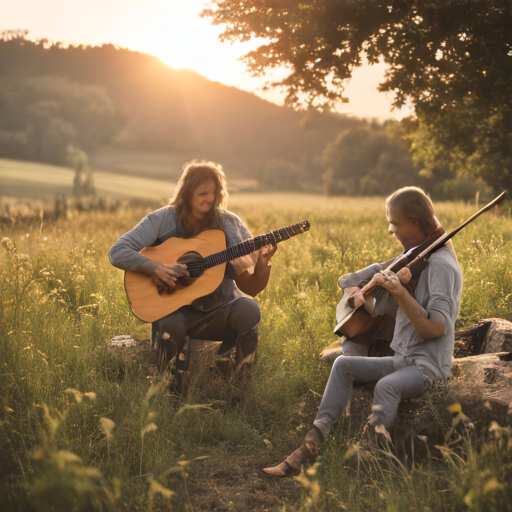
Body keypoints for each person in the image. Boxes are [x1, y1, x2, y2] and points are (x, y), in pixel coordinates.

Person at [263, 186, 462, 477]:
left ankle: (372, 453)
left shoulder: (440, 267)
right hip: (403, 358)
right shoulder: (418, 255)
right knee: (343, 364)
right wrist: (363, 286)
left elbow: (435, 329)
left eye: (394, 223)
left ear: (415, 223)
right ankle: (311, 442)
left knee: (386, 386)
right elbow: (366, 274)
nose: (390, 229)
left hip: (427, 367)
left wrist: (398, 293)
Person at [109, 160, 277, 381]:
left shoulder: (229, 224)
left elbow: (250, 287)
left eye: (215, 192)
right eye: (202, 193)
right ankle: (173, 396)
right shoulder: (162, 219)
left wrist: (262, 265)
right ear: (187, 193)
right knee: (171, 326)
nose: (211, 198)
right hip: (175, 315)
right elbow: (118, 251)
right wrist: (155, 268)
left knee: (249, 308)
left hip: (217, 312)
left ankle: (238, 387)